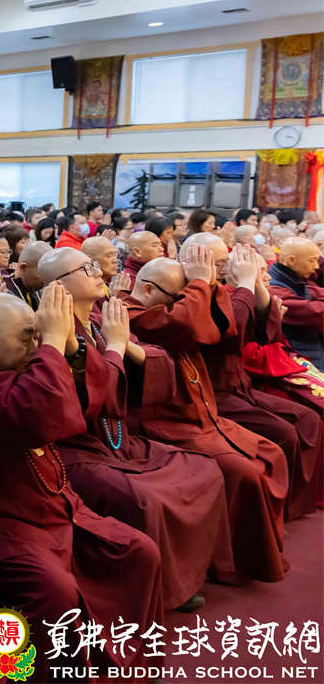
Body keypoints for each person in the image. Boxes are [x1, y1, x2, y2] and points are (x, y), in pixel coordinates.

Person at [0, 290, 164, 674]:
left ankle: (133, 666)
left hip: (50, 503)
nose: (35, 349)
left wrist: (72, 350)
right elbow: (37, 414)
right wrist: (51, 342)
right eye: (27, 338)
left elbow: (83, 398)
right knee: (56, 592)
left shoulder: (6, 360)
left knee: (140, 552)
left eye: (37, 337)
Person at [37, 247, 232, 612]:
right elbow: (93, 399)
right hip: (77, 449)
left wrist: (126, 346)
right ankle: (164, 589)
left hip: (119, 440)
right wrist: (114, 348)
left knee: (205, 470)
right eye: (86, 269)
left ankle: (194, 571)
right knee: (145, 500)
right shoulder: (47, 331)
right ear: (58, 287)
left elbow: (159, 361)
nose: (98, 272)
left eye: (94, 266)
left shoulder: (102, 317)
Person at [120, 254, 288, 583]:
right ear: (150, 290)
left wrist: (211, 285)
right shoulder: (127, 312)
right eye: (180, 295)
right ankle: (233, 562)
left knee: (272, 452)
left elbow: (227, 332)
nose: (186, 301)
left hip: (203, 415)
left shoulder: (169, 305)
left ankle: (259, 545)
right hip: (169, 423)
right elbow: (188, 324)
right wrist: (198, 283)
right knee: (244, 473)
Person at [189, 234, 322, 520]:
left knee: (308, 419)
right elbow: (232, 339)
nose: (227, 268)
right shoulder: (193, 296)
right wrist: (248, 284)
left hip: (243, 386)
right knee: (285, 433)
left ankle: (295, 504)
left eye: (226, 261)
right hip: (215, 393)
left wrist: (256, 285)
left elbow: (266, 334)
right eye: (220, 263)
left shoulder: (226, 289)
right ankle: (277, 511)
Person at [268, 237, 324, 370]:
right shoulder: (273, 288)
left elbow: (316, 291)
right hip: (301, 358)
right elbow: (314, 312)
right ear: (291, 260)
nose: (316, 267)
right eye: (312, 261)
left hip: (314, 351)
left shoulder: (295, 278)